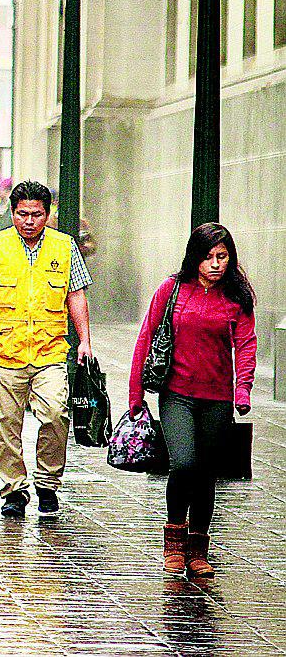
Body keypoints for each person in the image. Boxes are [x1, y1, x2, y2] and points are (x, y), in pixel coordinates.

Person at [0, 180, 93, 519]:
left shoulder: (64, 247)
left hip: (50, 351)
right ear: (13, 213)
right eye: (22, 214)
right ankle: (14, 489)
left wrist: (85, 341)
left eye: (36, 214)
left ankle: (47, 483)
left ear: (47, 214)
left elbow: (76, 295)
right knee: (4, 426)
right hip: (4, 352)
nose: (29, 221)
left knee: (56, 413)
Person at [129, 223, 256, 578]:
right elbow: (146, 337)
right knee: (184, 463)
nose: (215, 264)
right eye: (208, 257)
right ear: (194, 257)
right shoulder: (172, 289)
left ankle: (198, 548)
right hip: (177, 394)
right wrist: (135, 393)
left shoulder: (237, 298)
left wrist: (242, 390)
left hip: (217, 397)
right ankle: (174, 540)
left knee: (206, 473)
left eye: (222, 257)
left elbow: (246, 344)